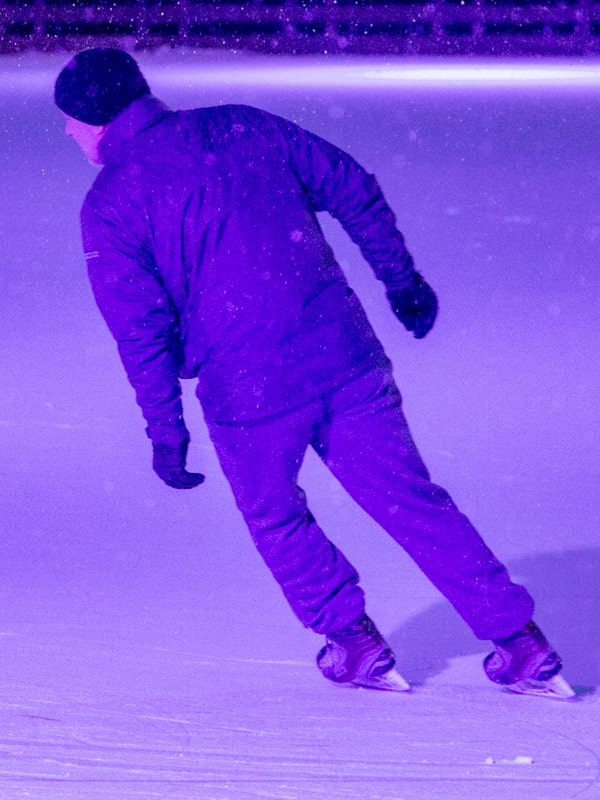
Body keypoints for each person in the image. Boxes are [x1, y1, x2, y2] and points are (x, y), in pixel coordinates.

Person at [55, 48, 573, 699]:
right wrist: (401, 280)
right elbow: (353, 186)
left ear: (94, 121)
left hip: (249, 394)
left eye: (70, 122)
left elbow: (141, 330)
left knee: (275, 516)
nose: (68, 135)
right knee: (411, 502)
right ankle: (520, 643)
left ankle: (353, 643)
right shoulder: (245, 126)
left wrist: (165, 430)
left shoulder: (109, 204)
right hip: (345, 359)